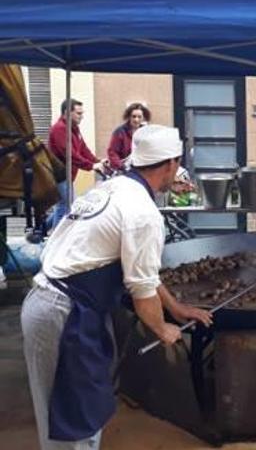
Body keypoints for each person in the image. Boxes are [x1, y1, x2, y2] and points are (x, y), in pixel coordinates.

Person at [21, 124, 213, 449]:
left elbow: (143, 272)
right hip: (65, 313)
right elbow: (142, 292)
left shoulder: (113, 188)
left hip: (59, 305)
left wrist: (175, 309)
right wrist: (161, 328)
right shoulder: (143, 213)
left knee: (85, 407)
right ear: (170, 164)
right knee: (70, 420)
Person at [47, 99, 109, 230]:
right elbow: (69, 154)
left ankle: (40, 232)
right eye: (78, 113)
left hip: (67, 175)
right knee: (67, 205)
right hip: (60, 175)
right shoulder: (59, 129)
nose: (82, 116)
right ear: (66, 113)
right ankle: (55, 240)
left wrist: (97, 162)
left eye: (82, 113)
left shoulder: (74, 129)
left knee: (63, 205)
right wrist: (90, 166)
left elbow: (83, 149)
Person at [107, 102, 151, 171]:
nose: (136, 120)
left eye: (139, 117)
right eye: (134, 116)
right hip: (124, 169)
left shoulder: (146, 132)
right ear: (129, 117)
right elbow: (112, 152)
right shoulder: (120, 132)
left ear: (143, 118)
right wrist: (122, 167)